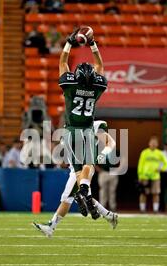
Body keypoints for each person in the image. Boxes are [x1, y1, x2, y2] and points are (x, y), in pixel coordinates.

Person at [33, 120, 118, 237]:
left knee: (68, 197)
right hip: (74, 169)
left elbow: (111, 142)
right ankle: (109, 215)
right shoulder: (68, 131)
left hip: (85, 168)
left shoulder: (92, 125)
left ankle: (51, 227)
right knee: (81, 196)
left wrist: (103, 153)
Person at [58, 27, 108, 220]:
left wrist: (69, 42)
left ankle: (83, 191)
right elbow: (100, 67)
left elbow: (63, 62)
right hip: (87, 130)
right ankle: (85, 190)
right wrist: (93, 44)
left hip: (69, 132)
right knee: (89, 164)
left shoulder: (70, 87)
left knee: (78, 170)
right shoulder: (97, 88)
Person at [137, 136, 167, 213]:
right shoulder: (144, 152)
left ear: (157, 144)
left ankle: (155, 209)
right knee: (143, 193)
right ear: (149, 143)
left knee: (155, 193)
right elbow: (140, 164)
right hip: (145, 176)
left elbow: (166, 163)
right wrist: (140, 176)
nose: (153, 144)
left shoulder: (159, 153)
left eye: (155, 143)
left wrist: (161, 169)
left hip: (155, 177)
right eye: (152, 142)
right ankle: (142, 209)